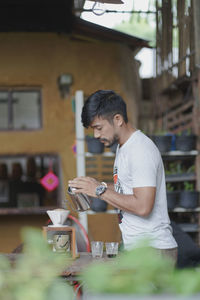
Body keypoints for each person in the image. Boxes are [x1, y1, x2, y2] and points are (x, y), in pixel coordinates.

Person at [69, 90, 177, 263]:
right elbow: (127, 189)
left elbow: (143, 206)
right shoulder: (124, 147)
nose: (96, 135)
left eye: (99, 128)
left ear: (118, 119)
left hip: (153, 251)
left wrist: (99, 190)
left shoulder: (140, 150)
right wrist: (94, 185)